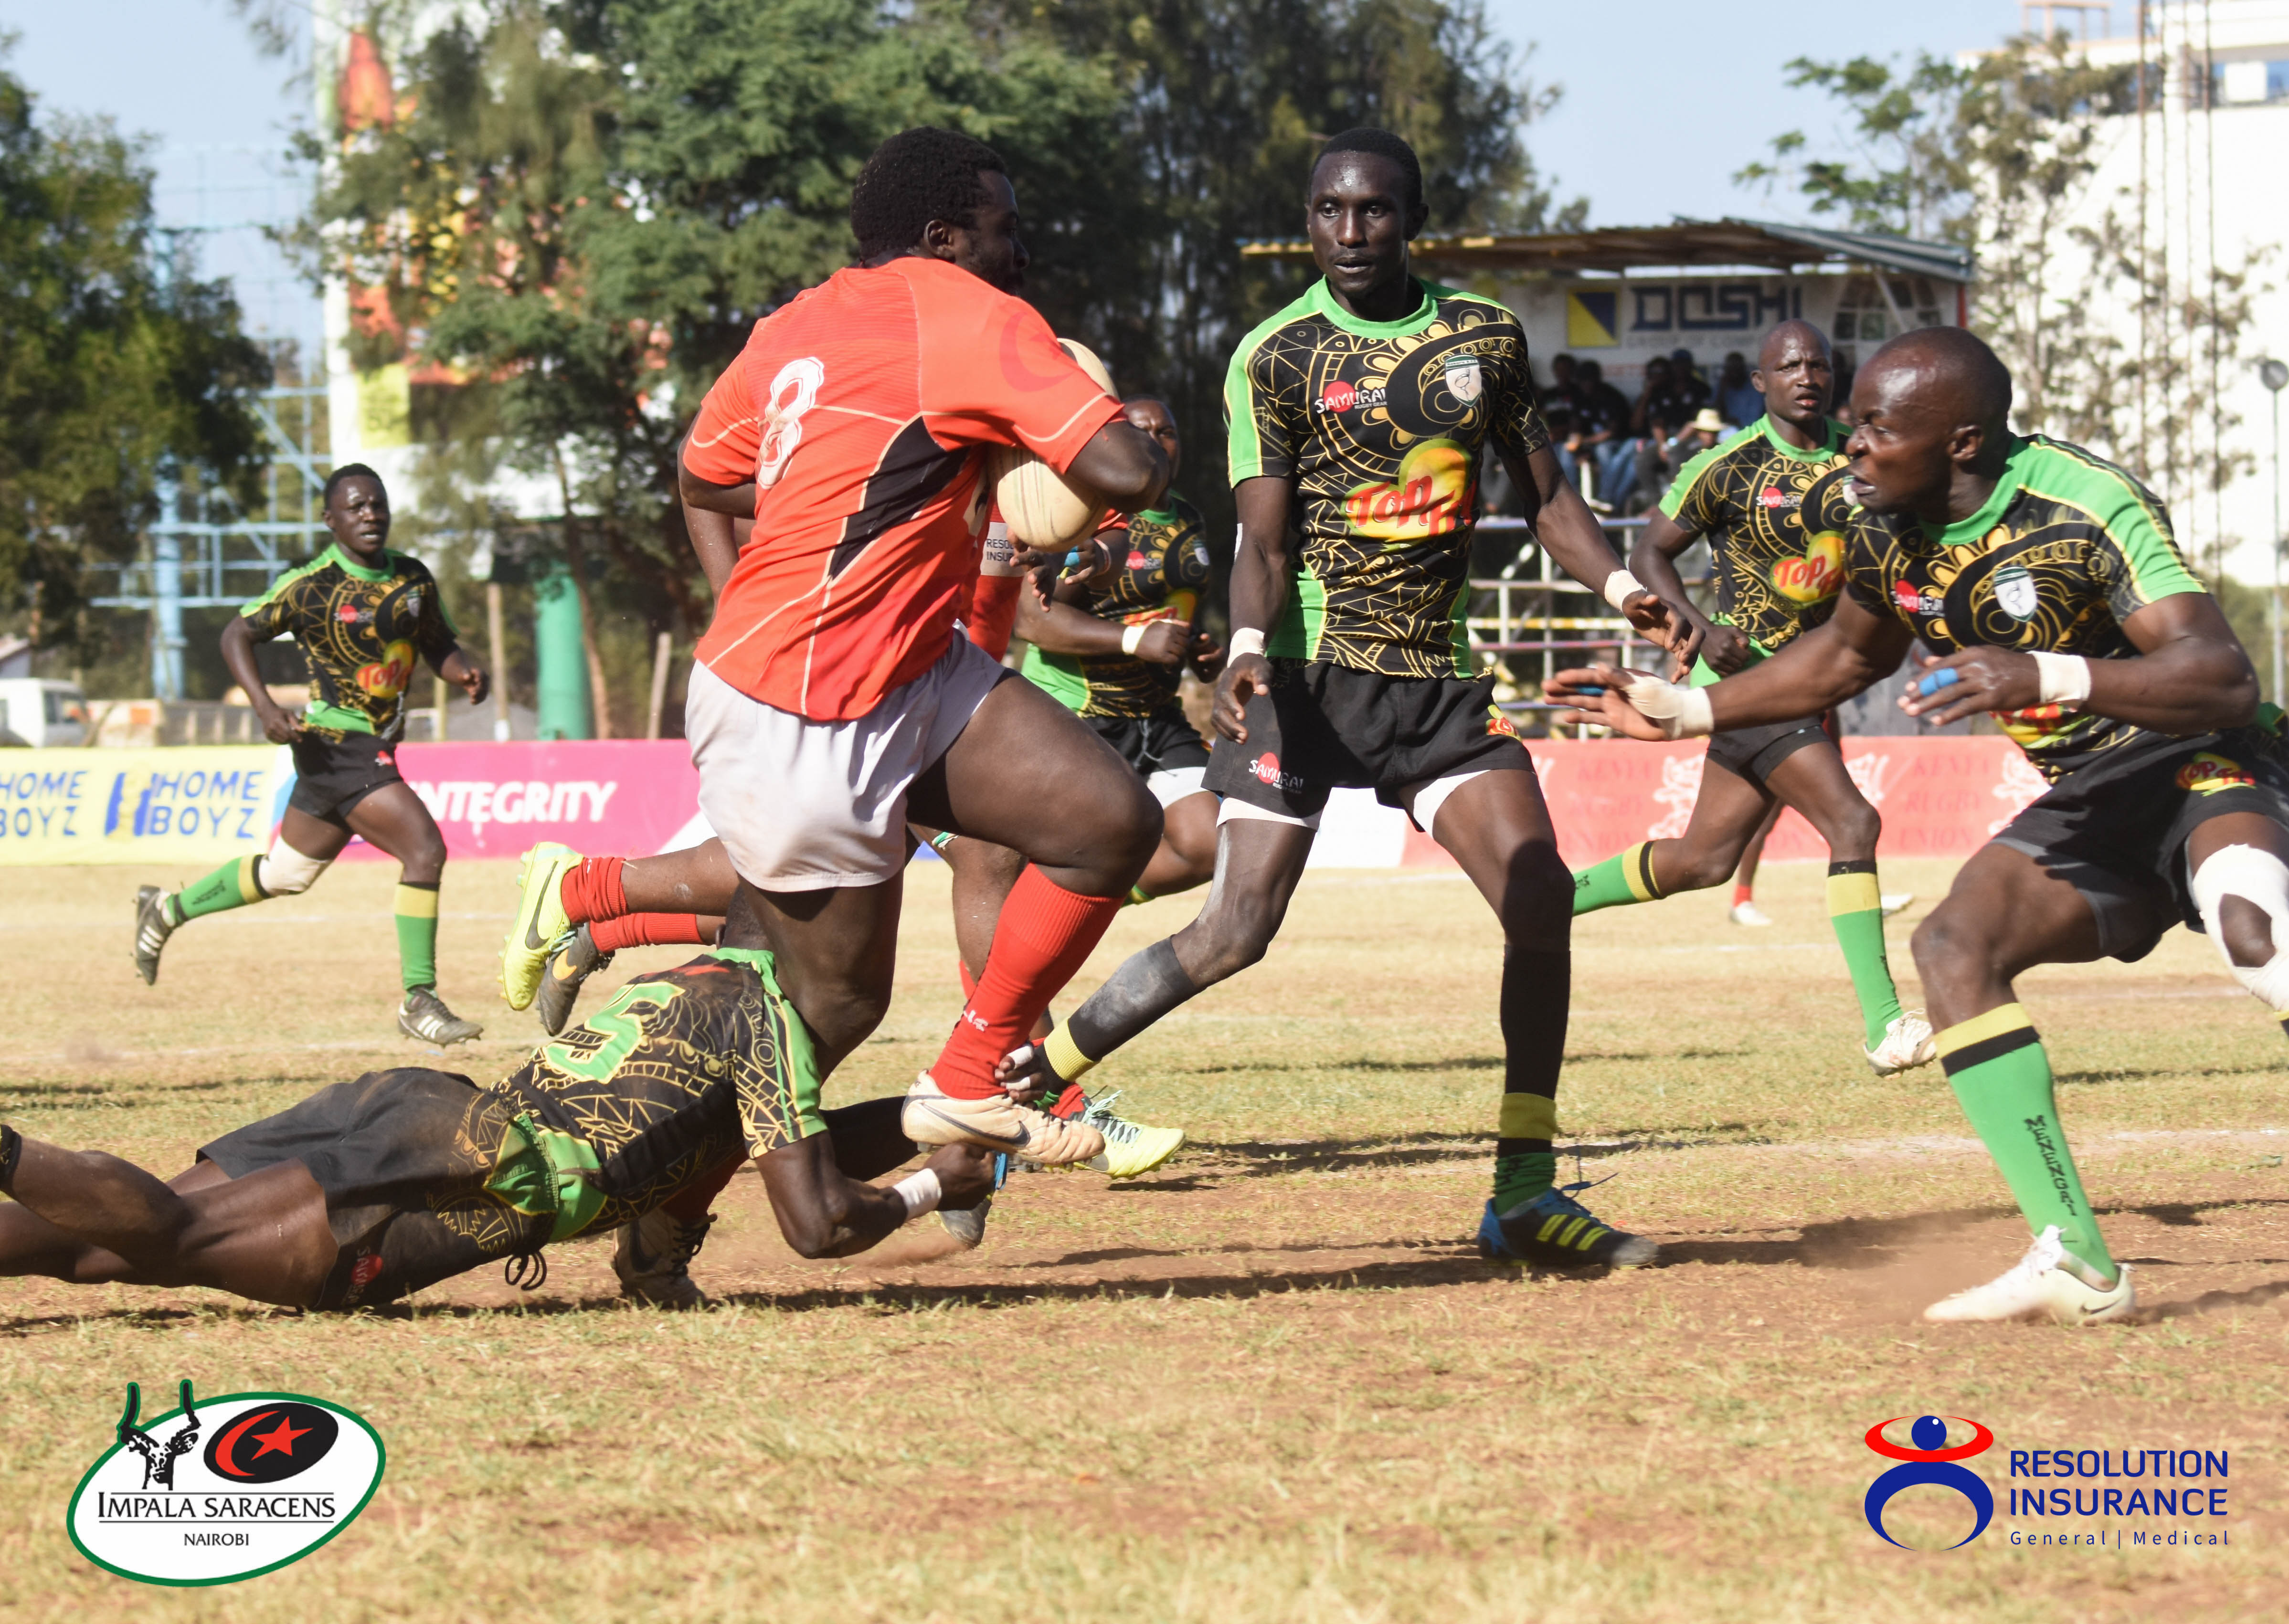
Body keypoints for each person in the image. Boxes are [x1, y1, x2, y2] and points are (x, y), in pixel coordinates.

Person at [1001, 128, 1689, 1272]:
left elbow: (1550, 496)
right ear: (1309, 220)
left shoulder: (1483, 337)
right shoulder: (1275, 355)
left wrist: (1621, 587)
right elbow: (1259, 540)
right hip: (1304, 683)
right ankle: (1032, 1077)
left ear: (1409, 215)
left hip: (1434, 691)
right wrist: (1249, 648)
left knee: (1535, 899)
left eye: (1372, 211)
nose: (1350, 232)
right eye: (1329, 212)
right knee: (1233, 934)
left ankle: (1520, 1193)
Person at [1550, 325, 2289, 1324]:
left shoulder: (2084, 504)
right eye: (1854, 424)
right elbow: (1842, 661)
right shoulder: (1882, 526)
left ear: (1963, 443)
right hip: (2094, 794)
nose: (1852, 446)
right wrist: (1687, 711)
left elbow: (2222, 677)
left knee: (2254, 934)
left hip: (2209, 759)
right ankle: (2077, 1260)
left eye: (1878, 428)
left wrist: (2048, 673)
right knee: (1952, 948)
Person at [672, 127, 1175, 1171]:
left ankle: (973, 1071)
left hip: (897, 665)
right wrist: (1050, 425)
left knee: (1106, 821)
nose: (1022, 250)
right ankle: (662, 1189)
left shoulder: (796, 322)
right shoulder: (976, 316)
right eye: (1007, 226)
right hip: (806, 704)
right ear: (946, 237)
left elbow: (704, 474)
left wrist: (773, 562)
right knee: (836, 1005)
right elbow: (1129, 471)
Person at [0, 906, 995, 1312]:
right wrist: (925, 1184)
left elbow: (789, 1139)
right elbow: (817, 1220)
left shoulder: (692, 977)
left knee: (95, 1247)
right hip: (480, 1172)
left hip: (424, 1109)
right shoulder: (768, 1029)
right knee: (171, 1236)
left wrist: (936, 1111)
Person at [1568, 321, 1933, 1075]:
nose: (1807, 375)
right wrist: (1696, 627)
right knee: (1853, 820)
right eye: (1789, 365)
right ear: (1760, 383)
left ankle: (1545, 898)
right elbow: (1647, 552)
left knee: (1701, 861)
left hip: (1812, 681)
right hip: (1747, 684)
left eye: (1818, 363)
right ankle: (1885, 1023)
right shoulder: (1726, 465)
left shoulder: (1861, 454)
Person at [131, 465, 490, 1045]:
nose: (370, 514)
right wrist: (265, 708)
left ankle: (166, 910)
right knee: (424, 849)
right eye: (355, 507)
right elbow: (235, 635)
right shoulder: (311, 585)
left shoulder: (414, 579)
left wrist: (463, 671)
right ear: (331, 521)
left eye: (377, 504)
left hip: (354, 752)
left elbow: (438, 645)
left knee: (285, 874)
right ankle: (419, 1000)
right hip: (337, 744)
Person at [1017, 395, 1223, 905]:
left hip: (1158, 716)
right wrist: (1135, 641)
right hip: (1080, 716)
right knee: (1094, 844)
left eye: (1166, 432)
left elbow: (1162, 612)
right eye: (1141, 433)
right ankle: (1050, 913)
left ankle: (1080, 905)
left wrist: (1195, 648)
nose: (1156, 443)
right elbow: (1035, 621)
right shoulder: (1083, 517)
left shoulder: (1189, 520)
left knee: (1209, 844)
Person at [1715, 351, 1762, 430]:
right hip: (1724, 430)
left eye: (1737, 369)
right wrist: (1722, 391)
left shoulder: (1754, 389)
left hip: (1748, 431)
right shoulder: (1723, 386)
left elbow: (1753, 421)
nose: (1734, 374)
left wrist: (1735, 422)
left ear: (1743, 369)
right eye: (1730, 370)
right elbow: (1713, 413)